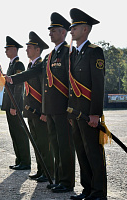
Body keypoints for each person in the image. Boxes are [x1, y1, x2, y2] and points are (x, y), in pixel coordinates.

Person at [68, 8, 107, 200]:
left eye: (74, 27)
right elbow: (70, 86)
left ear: (85, 29)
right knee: (82, 152)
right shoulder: (74, 54)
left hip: (88, 114)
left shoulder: (94, 52)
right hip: (75, 114)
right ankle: (87, 189)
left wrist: (95, 114)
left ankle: (98, 193)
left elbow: (98, 86)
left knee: (93, 153)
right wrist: (70, 114)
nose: (71, 30)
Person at [5, 31, 54, 180]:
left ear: (37, 50)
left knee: (44, 143)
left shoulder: (40, 65)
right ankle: (41, 170)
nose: (26, 50)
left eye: (29, 47)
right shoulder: (30, 64)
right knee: (37, 143)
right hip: (31, 111)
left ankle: (48, 172)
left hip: (39, 111)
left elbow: (44, 91)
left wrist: (45, 111)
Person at [42, 12, 75, 193]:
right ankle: (58, 178)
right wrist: (12, 79)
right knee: (55, 145)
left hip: (63, 109)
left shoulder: (68, 52)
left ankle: (67, 182)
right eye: (50, 31)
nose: (50, 34)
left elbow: (72, 82)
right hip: (52, 109)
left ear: (63, 33)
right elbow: (37, 73)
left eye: (53, 31)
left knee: (65, 146)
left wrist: (71, 108)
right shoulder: (50, 55)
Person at [1, 36, 31, 170]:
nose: (6, 51)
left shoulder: (19, 65)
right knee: (14, 133)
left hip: (15, 105)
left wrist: (14, 106)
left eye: (7, 49)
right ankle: (19, 160)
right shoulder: (11, 64)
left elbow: (19, 87)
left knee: (20, 133)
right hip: (9, 104)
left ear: (14, 49)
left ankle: (25, 161)